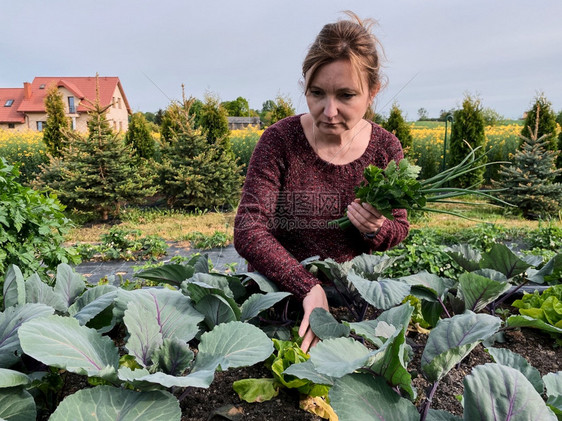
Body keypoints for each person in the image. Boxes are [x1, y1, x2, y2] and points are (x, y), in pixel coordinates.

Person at [233, 11, 409, 352]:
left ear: (373, 91)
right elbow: (249, 229)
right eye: (317, 93)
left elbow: (399, 228)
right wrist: (306, 285)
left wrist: (376, 229)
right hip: (277, 297)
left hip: (351, 303)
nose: (329, 111)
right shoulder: (279, 140)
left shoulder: (385, 148)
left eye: (346, 96)